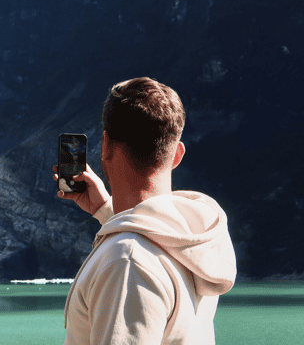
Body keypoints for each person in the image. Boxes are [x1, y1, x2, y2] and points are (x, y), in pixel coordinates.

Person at [54, 77, 236, 345]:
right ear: (177, 155)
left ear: (105, 147)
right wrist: (108, 211)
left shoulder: (127, 260)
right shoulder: (195, 238)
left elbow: (137, 253)